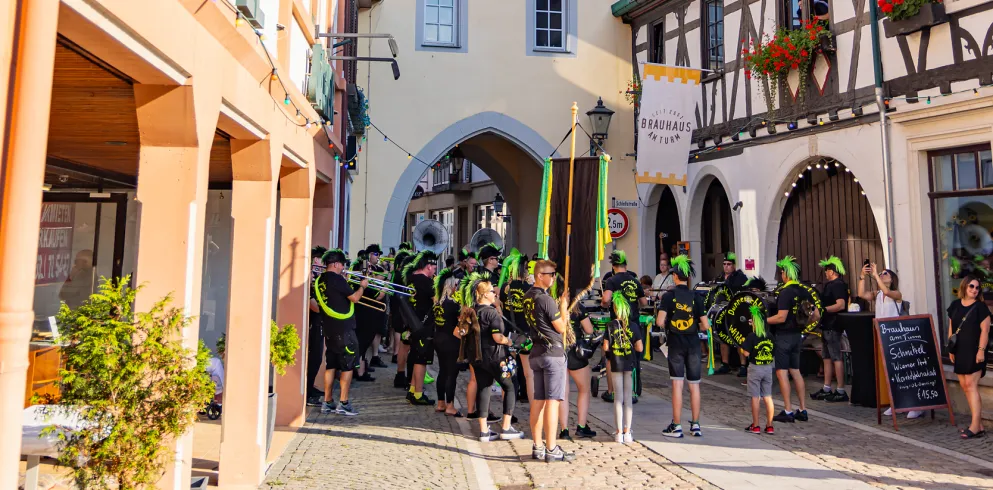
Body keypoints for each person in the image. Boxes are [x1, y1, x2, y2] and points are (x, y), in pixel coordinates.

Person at [458, 274, 527, 442]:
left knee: (484, 388)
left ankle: (483, 431)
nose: (495, 293)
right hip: (496, 357)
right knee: (510, 387)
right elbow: (498, 338)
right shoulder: (492, 314)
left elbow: (458, 333)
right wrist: (510, 341)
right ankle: (506, 427)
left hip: (477, 357)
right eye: (491, 291)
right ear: (484, 294)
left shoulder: (470, 311)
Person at [524, 259, 576, 462]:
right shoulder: (545, 300)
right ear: (540, 275)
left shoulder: (528, 296)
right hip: (552, 353)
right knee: (552, 402)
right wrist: (563, 307)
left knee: (538, 400)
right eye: (551, 274)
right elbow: (561, 327)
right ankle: (551, 447)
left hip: (536, 352)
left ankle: (537, 445)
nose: (554, 278)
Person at [656, 255, 710, 438]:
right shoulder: (696, 296)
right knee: (695, 385)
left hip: (676, 343)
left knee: (677, 384)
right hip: (693, 343)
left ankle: (677, 425)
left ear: (674, 277)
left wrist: (670, 322)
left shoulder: (669, 296)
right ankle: (696, 425)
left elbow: (659, 321)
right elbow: (706, 325)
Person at [313, 249, 368, 416]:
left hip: (329, 329)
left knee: (331, 365)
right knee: (347, 366)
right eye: (342, 265)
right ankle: (343, 403)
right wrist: (362, 286)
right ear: (336, 264)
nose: (344, 268)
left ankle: (328, 401)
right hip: (344, 329)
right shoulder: (337, 279)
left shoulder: (320, 280)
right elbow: (355, 298)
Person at [857, 264, 916, 418]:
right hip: (883, 335)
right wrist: (862, 276)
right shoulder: (877, 294)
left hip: (898, 336)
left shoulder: (896, 293)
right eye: (881, 273)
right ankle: (896, 402)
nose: (882, 275)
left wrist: (876, 275)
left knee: (903, 371)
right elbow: (862, 294)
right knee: (890, 372)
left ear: (892, 279)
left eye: (885, 274)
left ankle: (914, 404)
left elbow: (888, 292)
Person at [601, 250, 648, 403]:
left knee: (611, 356)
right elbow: (644, 302)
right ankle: (632, 391)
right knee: (633, 355)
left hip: (617, 323)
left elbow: (606, 299)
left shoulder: (612, 281)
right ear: (626, 265)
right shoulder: (635, 280)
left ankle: (611, 391)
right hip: (633, 322)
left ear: (613, 266)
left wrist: (605, 304)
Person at [767, 256, 809, 423]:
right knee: (796, 371)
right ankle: (803, 409)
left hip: (784, 336)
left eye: (782, 272)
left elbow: (781, 317)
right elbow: (816, 315)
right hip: (797, 335)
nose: (781, 275)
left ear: (786, 274)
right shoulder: (804, 290)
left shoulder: (786, 292)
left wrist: (763, 321)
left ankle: (788, 410)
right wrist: (804, 326)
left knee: (782, 373)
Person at [948, 275, 990, 439]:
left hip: (975, 350)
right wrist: (950, 349)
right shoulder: (955, 305)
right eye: (971, 286)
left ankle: (975, 426)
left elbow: (985, 331)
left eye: (977, 288)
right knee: (965, 385)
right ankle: (977, 423)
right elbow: (951, 328)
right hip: (959, 350)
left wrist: (981, 351)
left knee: (971, 385)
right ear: (964, 287)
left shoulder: (981, 307)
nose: (974, 290)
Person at [810, 256, 850, 403]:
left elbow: (840, 304)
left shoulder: (838, 285)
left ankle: (840, 389)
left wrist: (823, 310)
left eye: (826, 270)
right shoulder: (829, 285)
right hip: (826, 325)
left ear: (832, 271)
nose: (825, 273)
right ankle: (827, 388)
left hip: (834, 325)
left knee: (835, 357)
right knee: (826, 357)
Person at [604, 294, 643, 443]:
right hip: (629, 363)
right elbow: (639, 347)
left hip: (615, 363)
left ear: (614, 308)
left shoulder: (610, 325)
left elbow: (606, 347)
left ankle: (618, 432)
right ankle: (628, 432)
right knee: (628, 398)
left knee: (617, 398)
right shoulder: (633, 326)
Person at [560, 294, 597, 440]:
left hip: (559, 350)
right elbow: (589, 329)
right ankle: (581, 426)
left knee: (563, 393)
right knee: (584, 390)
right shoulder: (578, 308)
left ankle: (564, 429)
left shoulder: (553, 307)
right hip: (575, 351)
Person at [404, 251, 439, 405]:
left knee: (416, 356)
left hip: (412, 322)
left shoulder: (411, 278)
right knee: (421, 360)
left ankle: (412, 390)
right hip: (424, 325)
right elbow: (437, 301)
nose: (435, 270)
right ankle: (418, 394)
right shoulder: (426, 281)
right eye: (434, 267)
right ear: (428, 266)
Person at [500, 250, 534, 403]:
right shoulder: (529, 288)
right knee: (528, 373)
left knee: (508, 372)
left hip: (508, 334)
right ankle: (529, 400)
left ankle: (508, 410)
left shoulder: (505, 288)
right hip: (525, 333)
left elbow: (499, 306)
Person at [741, 304, 776, 434]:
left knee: (755, 397)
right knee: (768, 396)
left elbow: (745, 353)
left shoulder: (752, 336)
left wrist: (742, 347)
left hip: (755, 368)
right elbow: (773, 352)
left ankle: (756, 425)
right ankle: (770, 425)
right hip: (767, 367)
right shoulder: (770, 336)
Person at [432, 268, 463, 416]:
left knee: (442, 371)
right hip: (451, 340)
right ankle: (450, 406)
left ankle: (440, 403)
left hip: (439, 338)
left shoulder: (437, 302)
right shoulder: (453, 303)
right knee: (452, 373)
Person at [350, 248, 383, 383]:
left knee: (361, 345)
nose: (370, 270)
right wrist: (385, 287)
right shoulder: (363, 282)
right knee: (362, 344)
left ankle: (361, 370)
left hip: (359, 315)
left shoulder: (357, 280)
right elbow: (378, 296)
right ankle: (359, 371)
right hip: (364, 317)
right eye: (368, 268)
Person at [716, 252, 750, 376]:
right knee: (722, 337)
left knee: (738, 337)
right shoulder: (720, 277)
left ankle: (743, 365)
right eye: (724, 264)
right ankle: (725, 364)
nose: (726, 267)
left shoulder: (740, 277)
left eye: (729, 264)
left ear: (734, 266)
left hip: (737, 311)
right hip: (723, 311)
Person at [306, 246, 328, 406]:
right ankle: (307, 392)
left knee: (318, 358)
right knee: (314, 357)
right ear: (315, 260)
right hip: (313, 322)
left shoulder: (318, 278)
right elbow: (311, 302)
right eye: (323, 261)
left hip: (320, 322)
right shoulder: (311, 278)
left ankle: (310, 386)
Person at [390, 249, 414, 386]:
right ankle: (404, 376)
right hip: (405, 314)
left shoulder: (399, 274)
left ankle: (400, 374)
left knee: (403, 346)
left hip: (400, 311)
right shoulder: (405, 277)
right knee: (406, 346)